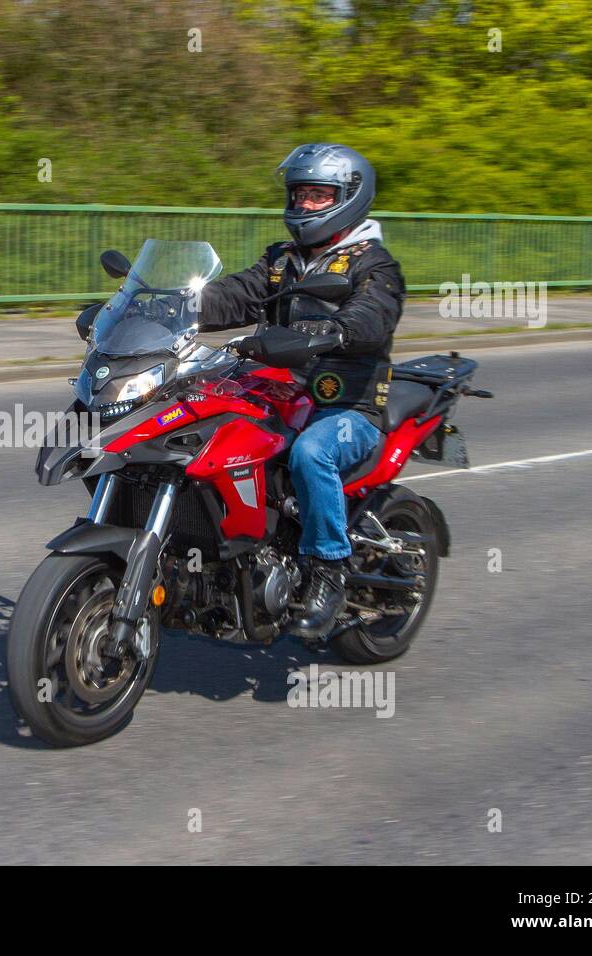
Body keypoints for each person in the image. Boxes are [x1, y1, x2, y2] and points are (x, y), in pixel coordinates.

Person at [198, 143, 406, 643]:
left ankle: (327, 569)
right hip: (281, 393)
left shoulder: (374, 266)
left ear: (351, 197)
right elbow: (231, 297)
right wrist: (154, 305)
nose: (307, 205)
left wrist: (333, 332)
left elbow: (372, 316)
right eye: (301, 194)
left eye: (320, 195)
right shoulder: (282, 261)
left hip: (347, 405)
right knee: (199, 425)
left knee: (313, 452)